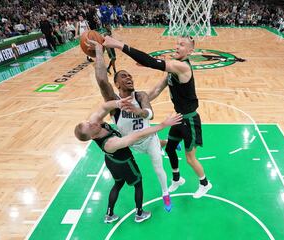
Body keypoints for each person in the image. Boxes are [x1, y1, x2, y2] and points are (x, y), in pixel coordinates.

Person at [103, 35, 212, 198]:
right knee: (169, 148)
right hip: (179, 117)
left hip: (190, 119)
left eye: (181, 45)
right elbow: (154, 92)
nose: (177, 46)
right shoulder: (172, 72)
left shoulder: (182, 67)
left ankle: (205, 183)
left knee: (190, 158)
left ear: (191, 51)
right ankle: (177, 179)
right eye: (177, 44)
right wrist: (139, 104)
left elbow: (150, 62)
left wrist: (118, 45)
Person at [86, 38, 174, 212]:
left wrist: (170, 74)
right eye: (124, 76)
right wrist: (98, 51)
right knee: (158, 145)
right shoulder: (114, 102)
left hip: (148, 139)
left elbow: (151, 111)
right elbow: (103, 81)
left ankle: (165, 194)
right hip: (131, 143)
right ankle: (169, 144)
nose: (129, 78)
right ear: (117, 83)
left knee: (158, 168)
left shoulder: (140, 96)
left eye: (131, 76)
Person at [74, 97, 182, 223]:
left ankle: (109, 215)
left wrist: (117, 103)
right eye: (90, 126)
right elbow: (138, 135)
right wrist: (163, 124)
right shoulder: (110, 143)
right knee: (138, 184)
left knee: (118, 184)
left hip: (110, 161)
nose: (93, 122)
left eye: (88, 122)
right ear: (91, 136)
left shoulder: (95, 123)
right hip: (123, 162)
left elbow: (104, 107)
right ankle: (139, 214)